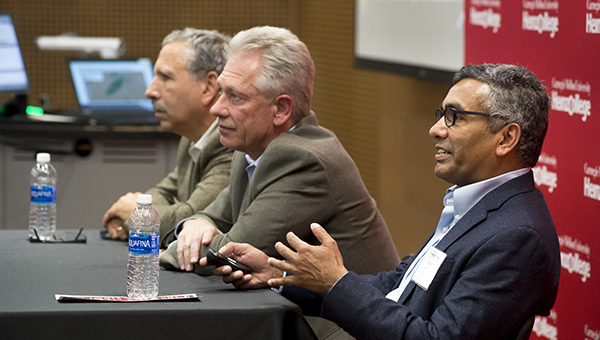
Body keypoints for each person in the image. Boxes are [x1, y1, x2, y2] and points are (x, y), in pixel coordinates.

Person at [207, 64, 562, 340]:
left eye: (453, 117)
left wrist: (336, 283)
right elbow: (400, 284)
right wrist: (282, 275)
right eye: (440, 115)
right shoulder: (475, 207)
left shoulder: (517, 235)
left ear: (506, 138)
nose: (436, 129)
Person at [159, 25, 399, 278]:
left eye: (235, 97)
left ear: (281, 109)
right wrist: (196, 224)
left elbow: (233, 252)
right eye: (221, 91)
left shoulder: (304, 162)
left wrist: (173, 251)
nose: (217, 108)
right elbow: (213, 215)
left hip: (339, 316)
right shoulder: (250, 148)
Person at [102, 28, 234, 248]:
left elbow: (189, 218)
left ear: (208, 87)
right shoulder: (191, 139)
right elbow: (160, 194)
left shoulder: (231, 144)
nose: (150, 91)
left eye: (165, 77)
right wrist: (142, 213)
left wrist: (133, 216)